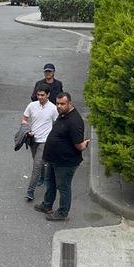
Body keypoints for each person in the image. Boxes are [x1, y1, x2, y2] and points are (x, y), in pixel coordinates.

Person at [35, 92, 90, 221]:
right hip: (54, 160)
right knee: (51, 183)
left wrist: (85, 144)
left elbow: (79, 145)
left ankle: (63, 212)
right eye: (57, 103)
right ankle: (47, 205)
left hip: (65, 163)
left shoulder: (75, 121)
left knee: (63, 187)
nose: (59, 106)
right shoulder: (63, 114)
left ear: (69, 103)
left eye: (62, 104)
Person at [21, 87, 58, 202]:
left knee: (36, 165)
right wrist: (27, 130)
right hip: (33, 140)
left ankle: (30, 191)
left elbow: (57, 124)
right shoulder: (32, 105)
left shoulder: (53, 108)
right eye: (38, 95)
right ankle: (42, 177)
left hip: (45, 141)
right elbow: (24, 119)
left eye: (42, 95)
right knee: (38, 162)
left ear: (48, 95)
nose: (40, 97)